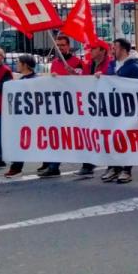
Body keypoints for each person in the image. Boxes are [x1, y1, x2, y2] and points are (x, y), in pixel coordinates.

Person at [99, 38, 138, 184]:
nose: (112, 50)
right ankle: (114, 167)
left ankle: (127, 170)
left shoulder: (134, 67)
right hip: (113, 108)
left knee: (126, 139)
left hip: (128, 109)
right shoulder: (112, 65)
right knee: (112, 137)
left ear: (124, 50)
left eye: (115, 48)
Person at [5, 55, 60, 178]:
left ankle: (17, 167)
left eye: (18, 62)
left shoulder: (36, 80)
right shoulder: (22, 80)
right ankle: (45, 164)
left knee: (26, 141)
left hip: (36, 119)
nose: (17, 65)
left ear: (25, 65)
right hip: (28, 119)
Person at [51, 35, 95, 176]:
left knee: (81, 135)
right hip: (60, 105)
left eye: (63, 45)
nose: (60, 47)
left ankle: (88, 165)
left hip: (76, 105)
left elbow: (84, 80)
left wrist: (73, 73)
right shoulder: (55, 63)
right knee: (58, 135)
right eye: (58, 45)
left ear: (68, 46)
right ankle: (53, 166)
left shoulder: (77, 62)